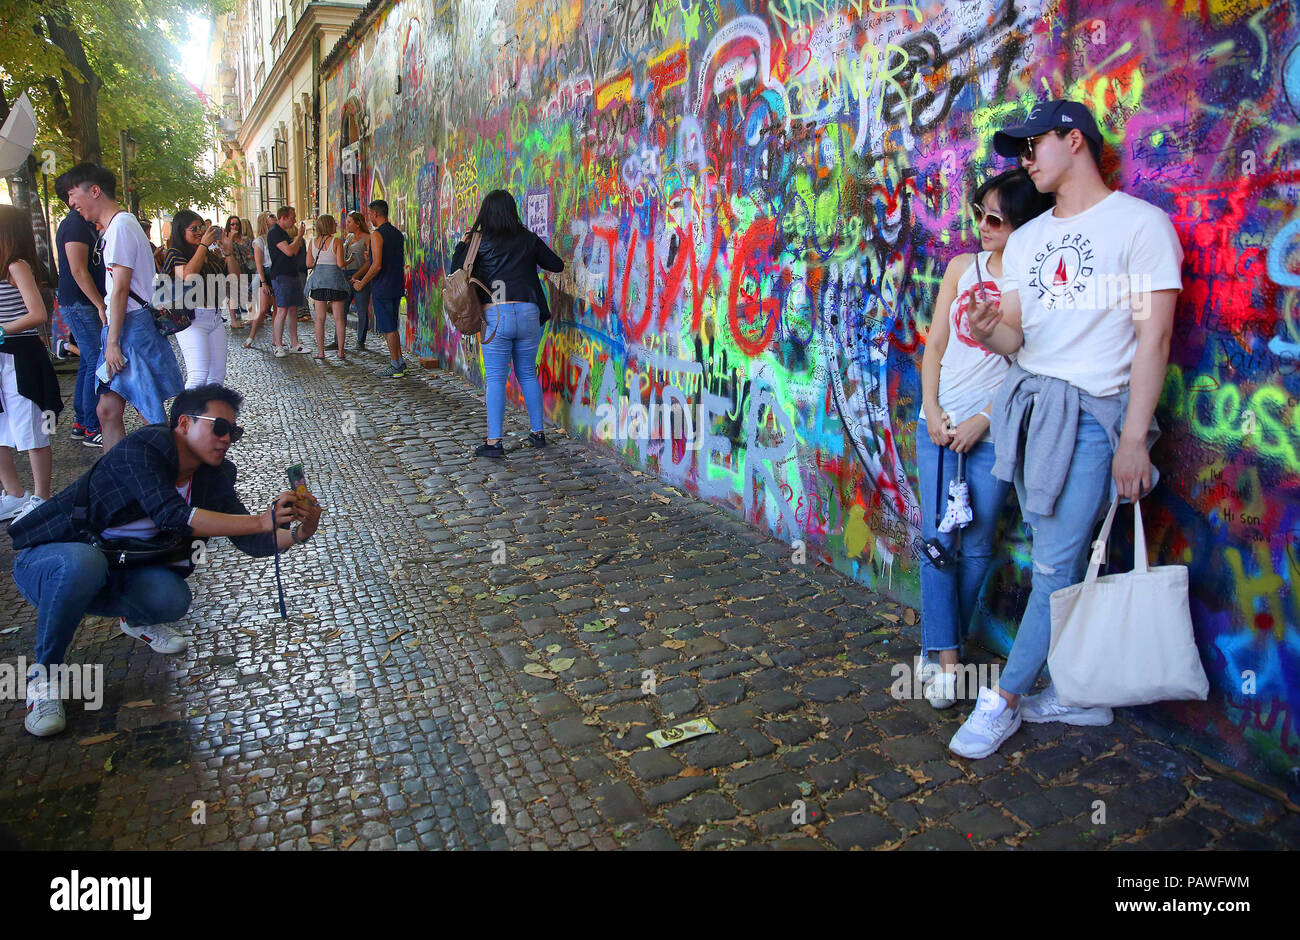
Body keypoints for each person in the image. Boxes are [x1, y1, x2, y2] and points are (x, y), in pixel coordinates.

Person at [949, 100, 1184, 759]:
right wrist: (987, 328)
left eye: (1032, 146)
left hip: (1092, 415)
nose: (1024, 162)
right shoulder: (1026, 240)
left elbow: (1153, 336)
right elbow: (1015, 333)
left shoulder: (1140, 227)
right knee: (1061, 554)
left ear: (1073, 139)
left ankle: (1007, 699)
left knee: (1053, 564)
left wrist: (1134, 438)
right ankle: (1079, 694)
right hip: (1030, 409)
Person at [8, 383, 323, 737]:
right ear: (185, 424)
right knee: (83, 563)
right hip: (49, 560)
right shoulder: (143, 448)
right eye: (219, 428)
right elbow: (171, 514)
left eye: (233, 432)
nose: (226, 439)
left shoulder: (213, 475)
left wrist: (298, 533)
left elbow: (250, 541)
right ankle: (44, 680)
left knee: (173, 597)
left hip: (116, 566)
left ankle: (136, 620)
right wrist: (261, 520)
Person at [914, 168, 1053, 709]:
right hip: (939, 425)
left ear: (1022, 225)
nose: (982, 225)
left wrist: (986, 420)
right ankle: (949, 662)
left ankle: (934, 653)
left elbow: (1033, 366)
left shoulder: (1031, 286)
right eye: (978, 212)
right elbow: (935, 346)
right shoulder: (959, 268)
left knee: (975, 545)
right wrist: (931, 411)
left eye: (995, 218)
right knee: (937, 540)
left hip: (992, 434)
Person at [63, 163, 184, 451]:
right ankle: (114, 479)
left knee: (148, 412)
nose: (70, 203)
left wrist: (113, 342)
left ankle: (177, 477)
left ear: (94, 190)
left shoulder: (120, 227)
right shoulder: (120, 226)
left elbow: (119, 290)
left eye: (72, 193)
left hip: (130, 328)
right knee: (108, 411)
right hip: (127, 325)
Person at [450, 190, 564, 458]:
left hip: (495, 315)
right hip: (528, 313)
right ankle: (538, 432)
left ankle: (494, 442)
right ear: (512, 211)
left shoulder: (477, 241)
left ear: (485, 213)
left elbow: (455, 272)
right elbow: (556, 265)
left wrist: (462, 245)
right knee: (527, 373)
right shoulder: (528, 239)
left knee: (496, 380)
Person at [0, 206, 61, 524]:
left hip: (19, 356)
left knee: (30, 428)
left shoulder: (16, 266)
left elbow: (37, 314)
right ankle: (12, 494)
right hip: (3, 357)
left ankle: (41, 496)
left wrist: (2, 329)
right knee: (0, 430)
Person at [54, 171, 107, 449]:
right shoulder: (74, 225)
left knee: (89, 362)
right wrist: (99, 303)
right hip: (80, 304)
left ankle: (81, 422)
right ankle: (90, 427)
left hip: (80, 303)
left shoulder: (81, 224)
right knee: (96, 361)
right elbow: (77, 269)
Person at [164, 210, 230, 389]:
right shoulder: (174, 253)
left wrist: (228, 252)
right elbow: (187, 276)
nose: (200, 231)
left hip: (215, 317)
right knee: (198, 376)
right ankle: (186, 416)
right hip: (191, 319)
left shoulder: (210, 255)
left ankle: (207, 416)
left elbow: (234, 277)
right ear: (180, 231)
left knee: (217, 377)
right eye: (193, 228)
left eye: (202, 227)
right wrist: (203, 246)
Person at [351, 200, 407, 377]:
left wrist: (361, 282)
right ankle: (399, 361)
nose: (369, 217)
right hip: (396, 283)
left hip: (383, 285)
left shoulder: (377, 235)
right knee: (393, 325)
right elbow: (388, 258)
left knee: (388, 327)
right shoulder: (397, 234)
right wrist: (372, 256)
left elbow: (376, 266)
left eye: (370, 214)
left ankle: (395, 365)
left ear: (375, 213)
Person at [305, 214, 350, 360]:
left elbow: (309, 264)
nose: (336, 225)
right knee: (339, 318)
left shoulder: (312, 242)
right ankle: (341, 352)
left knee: (319, 318)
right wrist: (351, 260)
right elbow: (340, 264)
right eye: (334, 223)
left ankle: (320, 352)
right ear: (329, 225)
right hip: (335, 282)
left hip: (319, 283)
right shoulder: (336, 241)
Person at [267, 206, 307, 357]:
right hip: (281, 275)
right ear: (283, 218)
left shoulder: (284, 233)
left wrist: (297, 239)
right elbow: (289, 251)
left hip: (292, 273)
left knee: (293, 309)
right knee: (282, 310)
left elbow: (294, 251)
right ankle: (278, 345)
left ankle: (294, 343)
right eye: (292, 217)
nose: (295, 220)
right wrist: (299, 236)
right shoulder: (275, 232)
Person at [244, 212, 276, 349]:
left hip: (276, 275)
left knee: (278, 309)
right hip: (265, 277)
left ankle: (276, 338)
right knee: (262, 309)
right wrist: (264, 282)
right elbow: (259, 264)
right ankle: (250, 338)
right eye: (271, 216)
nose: (274, 218)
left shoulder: (276, 238)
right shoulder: (259, 241)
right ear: (265, 221)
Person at [342, 211, 371, 350]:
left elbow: (370, 261)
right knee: (342, 309)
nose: (346, 224)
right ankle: (338, 339)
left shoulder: (367, 238)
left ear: (358, 223)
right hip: (346, 275)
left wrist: (357, 276)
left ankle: (360, 341)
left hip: (360, 275)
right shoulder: (348, 237)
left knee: (361, 310)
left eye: (349, 222)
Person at [221, 215, 253, 329]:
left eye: (237, 224)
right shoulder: (226, 238)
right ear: (229, 226)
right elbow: (227, 251)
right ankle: (233, 320)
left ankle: (251, 317)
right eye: (232, 224)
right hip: (232, 269)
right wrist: (230, 237)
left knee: (248, 293)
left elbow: (248, 252)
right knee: (233, 295)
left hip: (245, 268)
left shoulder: (245, 239)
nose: (235, 226)